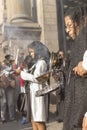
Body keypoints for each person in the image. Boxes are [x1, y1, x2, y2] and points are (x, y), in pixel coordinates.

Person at [63, 6, 87, 130]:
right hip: (74, 111)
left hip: (81, 113)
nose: (67, 30)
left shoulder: (84, 40)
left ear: (78, 22)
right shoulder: (77, 42)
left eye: (69, 25)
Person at [21, 41, 50, 130]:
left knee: (39, 120)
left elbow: (37, 78)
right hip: (33, 94)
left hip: (39, 94)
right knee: (34, 119)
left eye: (32, 52)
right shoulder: (36, 63)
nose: (31, 54)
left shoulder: (42, 63)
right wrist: (25, 69)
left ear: (37, 51)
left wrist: (23, 74)